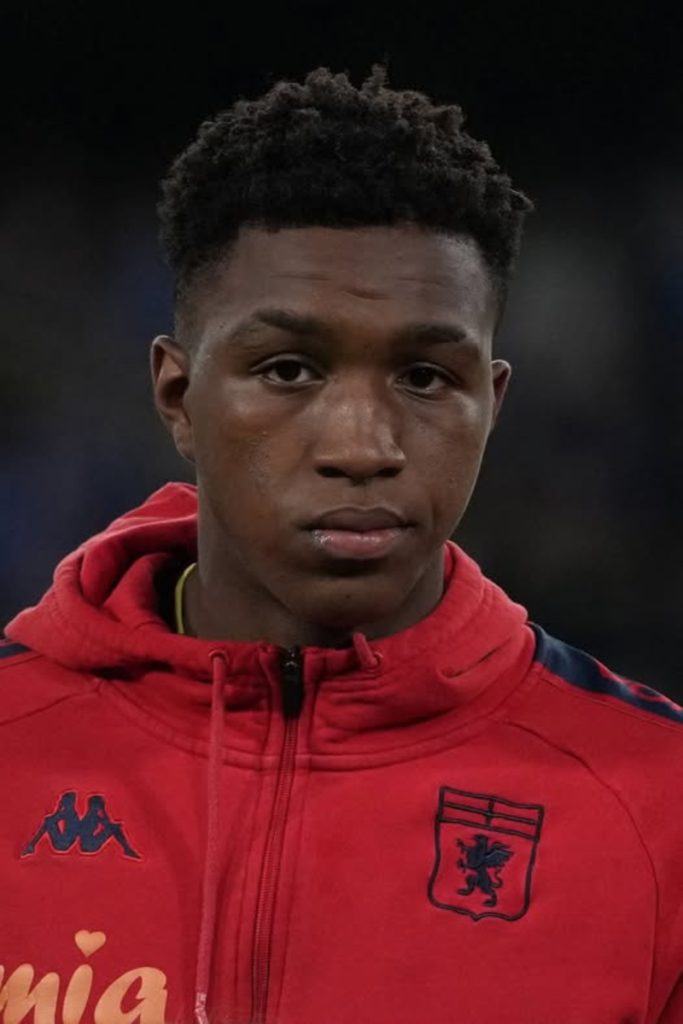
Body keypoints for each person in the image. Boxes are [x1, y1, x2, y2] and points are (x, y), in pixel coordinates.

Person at [1, 65, 681, 1024]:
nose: (361, 447)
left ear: (492, 405)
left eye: (424, 378)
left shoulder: (658, 808)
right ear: (178, 397)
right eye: (287, 370)